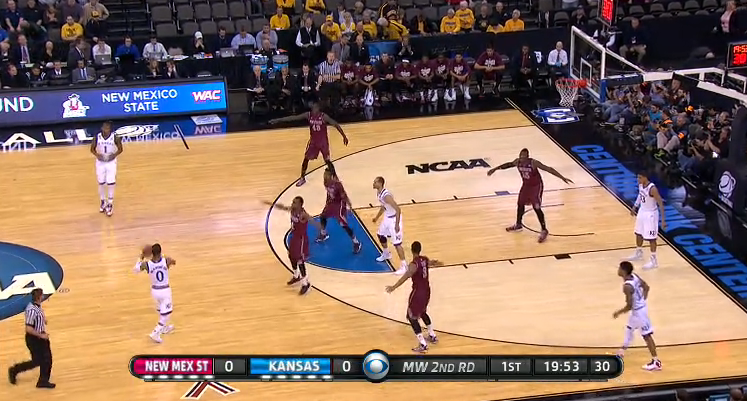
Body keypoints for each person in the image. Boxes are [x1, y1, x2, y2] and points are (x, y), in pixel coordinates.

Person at [486, 148, 573, 243]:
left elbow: (549, 169)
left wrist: (562, 177)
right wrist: (494, 169)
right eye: (521, 156)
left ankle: (544, 230)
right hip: (526, 185)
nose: (522, 158)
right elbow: (507, 165)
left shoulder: (534, 163)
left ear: (528, 157)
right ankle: (518, 224)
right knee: (520, 203)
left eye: (524, 157)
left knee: (536, 207)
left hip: (536, 186)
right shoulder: (517, 162)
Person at [268, 102, 349, 187]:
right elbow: (294, 118)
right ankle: (302, 178)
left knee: (327, 161)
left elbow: (336, 124)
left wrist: (344, 136)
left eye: (315, 107)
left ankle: (335, 178)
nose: (313, 109)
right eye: (313, 107)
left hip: (323, 142)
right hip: (313, 142)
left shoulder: (323, 116)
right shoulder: (308, 115)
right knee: (306, 159)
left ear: (318, 108)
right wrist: (278, 120)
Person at [385, 241, 443, 353]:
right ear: (420, 250)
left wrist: (393, 287)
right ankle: (432, 335)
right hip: (427, 291)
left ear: (412, 250)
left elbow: (405, 277)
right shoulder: (424, 259)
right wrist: (438, 262)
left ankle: (423, 344)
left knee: (411, 316)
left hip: (418, 292)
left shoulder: (413, 264)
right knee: (422, 312)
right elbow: (431, 263)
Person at [264, 196, 321, 295]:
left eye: (294, 202)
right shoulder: (292, 210)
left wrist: (321, 229)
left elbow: (312, 221)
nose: (292, 203)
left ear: (300, 204)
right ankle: (296, 275)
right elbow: (282, 207)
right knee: (291, 256)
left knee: (300, 260)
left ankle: (305, 283)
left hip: (301, 239)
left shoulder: (303, 214)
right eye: (293, 202)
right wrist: (271, 204)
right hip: (294, 237)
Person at [613, 261, 662, 371]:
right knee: (629, 328)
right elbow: (646, 287)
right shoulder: (634, 276)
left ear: (623, 271)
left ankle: (656, 362)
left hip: (639, 313)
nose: (618, 270)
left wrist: (618, 312)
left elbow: (629, 306)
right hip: (639, 310)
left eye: (619, 268)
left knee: (647, 336)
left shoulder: (627, 287)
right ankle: (622, 350)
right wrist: (642, 300)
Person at [7, 288, 55, 388]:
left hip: (39, 337)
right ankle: (41, 381)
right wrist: (41, 335)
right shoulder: (31, 310)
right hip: (35, 339)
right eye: (42, 295)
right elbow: (28, 329)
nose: (44, 296)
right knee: (44, 360)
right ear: (39, 297)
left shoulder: (36, 305)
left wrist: (43, 319)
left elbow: (38, 315)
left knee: (40, 361)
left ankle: (16, 370)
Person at [134, 243, 176, 343]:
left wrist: (142, 256)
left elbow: (136, 269)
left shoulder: (147, 264)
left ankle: (164, 328)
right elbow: (174, 262)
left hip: (155, 291)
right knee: (166, 313)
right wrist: (164, 258)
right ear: (160, 252)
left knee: (160, 309)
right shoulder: (166, 260)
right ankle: (155, 333)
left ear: (151, 253)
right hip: (165, 290)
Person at [624, 173, 666, 270]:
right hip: (642, 211)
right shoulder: (641, 185)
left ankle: (654, 260)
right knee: (638, 233)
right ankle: (639, 252)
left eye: (640, 177)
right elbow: (640, 195)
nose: (638, 179)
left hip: (651, 214)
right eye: (637, 177)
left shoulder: (652, 189)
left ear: (645, 178)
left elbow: (660, 203)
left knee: (652, 238)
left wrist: (663, 220)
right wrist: (635, 206)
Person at [316, 168, 361, 253]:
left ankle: (356, 242)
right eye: (324, 174)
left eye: (326, 175)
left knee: (343, 224)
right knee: (322, 217)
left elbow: (344, 195)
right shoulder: (325, 182)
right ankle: (323, 234)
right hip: (331, 203)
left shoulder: (338, 185)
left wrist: (349, 204)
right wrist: (327, 202)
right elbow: (328, 193)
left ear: (331, 176)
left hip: (339, 204)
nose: (324, 176)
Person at [372, 176, 408, 274]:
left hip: (394, 219)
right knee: (380, 235)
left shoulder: (386, 196)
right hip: (387, 217)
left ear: (380, 183)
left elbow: (398, 209)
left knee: (397, 244)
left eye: (375, 182)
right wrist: (376, 217)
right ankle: (386, 253)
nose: (373, 184)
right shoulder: (379, 193)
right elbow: (383, 207)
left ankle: (404, 266)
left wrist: (397, 225)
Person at [90, 121, 123, 216]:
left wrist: (114, 155)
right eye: (104, 128)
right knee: (101, 182)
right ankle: (103, 201)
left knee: (111, 182)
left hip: (111, 162)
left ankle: (110, 204)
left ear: (110, 129)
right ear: (102, 128)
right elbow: (92, 149)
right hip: (100, 162)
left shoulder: (115, 137)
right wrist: (97, 155)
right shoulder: (97, 137)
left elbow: (120, 149)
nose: (106, 130)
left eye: (107, 128)